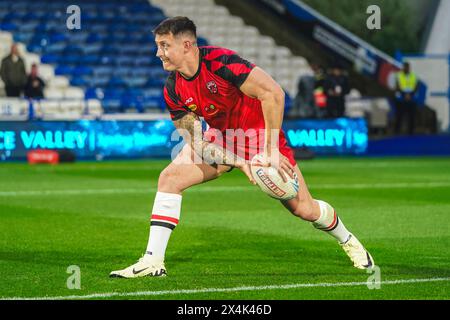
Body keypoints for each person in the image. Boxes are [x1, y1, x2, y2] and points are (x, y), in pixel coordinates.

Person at [110, 17, 374, 278]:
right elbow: (198, 143)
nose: (159, 53)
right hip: (223, 139)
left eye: (165, 45)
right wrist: (238, 161)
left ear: (187, 45)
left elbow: (273, 94)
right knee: (169, 179)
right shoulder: (173, 89)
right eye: (158, 46)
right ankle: (153, 261)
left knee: (304, 209)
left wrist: (271, 149)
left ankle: (348, 240)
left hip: (262, 138)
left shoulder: (222, 63)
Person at [395, 62, 418, 135]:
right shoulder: (399, 75)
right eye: (405, 67)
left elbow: (416, 86)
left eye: (407, 67)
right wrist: (405, 94)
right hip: (401, 98)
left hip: (411, 98)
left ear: (409, 68)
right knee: (399, 115)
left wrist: (410, 95)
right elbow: (398, 86)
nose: (406, 68)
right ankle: (397, 131)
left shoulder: (413, 76)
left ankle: (411, 131)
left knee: (411, 116)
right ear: (403, 68)